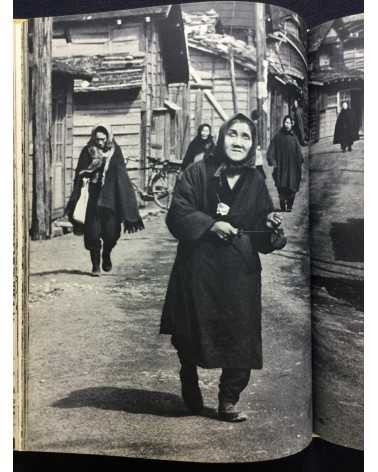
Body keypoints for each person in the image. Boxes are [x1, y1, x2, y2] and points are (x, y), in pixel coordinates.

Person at [160, 113, 287, 422]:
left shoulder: (256, 181)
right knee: (191, 330)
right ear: (221, 137)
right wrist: (210, 224)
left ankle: (228, 399)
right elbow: (177, 213)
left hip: (239, 271)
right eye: (233, 134)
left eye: (245, 137)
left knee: (241, 333)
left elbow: (261, 229)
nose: (238, 142)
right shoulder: (197, 172)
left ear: (252, 144)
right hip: (198, 267)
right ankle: (188, 376)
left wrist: (270, 225)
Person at [66, 125, 144, 275]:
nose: (100, 142)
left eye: (103, 139)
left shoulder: (115, 151)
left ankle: (106, 253)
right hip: (93, 199)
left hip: (111, 200)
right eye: (97, 139)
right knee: (92, 234)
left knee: (111, 234)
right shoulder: (88, 151)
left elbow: (121, 173)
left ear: (108, 138)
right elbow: (80, 171)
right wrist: (89, 171)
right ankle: (95, 265)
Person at [267, 115, 304, 213]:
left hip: (292, 168)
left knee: (292, 187)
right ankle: (282, 204)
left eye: (288, 123)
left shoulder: (294, 137)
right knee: (281, 186)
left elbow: (298, 152)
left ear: (292, 124)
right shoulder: (278, 136)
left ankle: (290, 206)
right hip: (281, 167)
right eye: (285, 122)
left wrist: (300, 159)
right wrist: (273, 161)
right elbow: (271, 149)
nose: (286, 124)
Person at [250, 109, 266, 179]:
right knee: (257, 164)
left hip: (255, 147)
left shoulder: (252, 125)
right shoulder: (253, 126)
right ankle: (261, 177)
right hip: (254, 148)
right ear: (257, 118)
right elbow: (255, 138)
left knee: (257, 164)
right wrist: (257, 146)